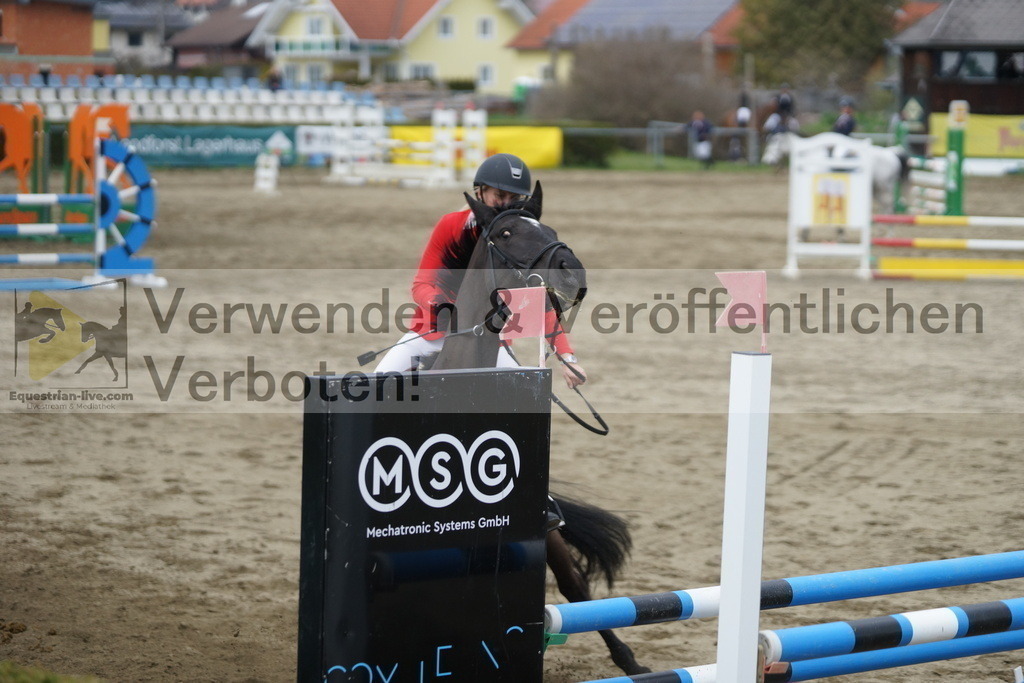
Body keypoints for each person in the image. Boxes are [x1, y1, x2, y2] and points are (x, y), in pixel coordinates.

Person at [373, 153, 587, 389]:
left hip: (489, 342)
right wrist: (442, 306)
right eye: (500, 196)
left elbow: (538, 300)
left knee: (523, 399)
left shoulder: (522, 240)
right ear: (480, 193)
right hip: (433, 333)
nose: (506, 203)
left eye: (514, 197)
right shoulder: (452, 226)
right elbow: (421, 284)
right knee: (374, 390)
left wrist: (567, 357)